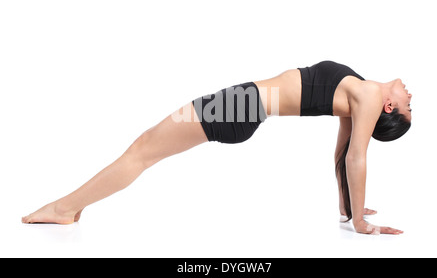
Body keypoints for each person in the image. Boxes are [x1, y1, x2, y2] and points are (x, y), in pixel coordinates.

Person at [22, 60, 412, 235]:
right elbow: (342, 156)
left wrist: (359, 222)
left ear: (389, 108)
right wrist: (347, 206)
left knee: (143, 150)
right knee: (144, 148)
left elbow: (357, 155)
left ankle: (65, 209)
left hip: (241, 106)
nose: (410, 94)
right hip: (243, 106)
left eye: (408, 105)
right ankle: (68, 208)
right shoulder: (361, 93)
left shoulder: (366, 95)